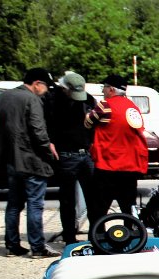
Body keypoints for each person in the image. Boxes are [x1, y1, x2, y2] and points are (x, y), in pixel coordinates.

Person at [0, 67, 60, 258]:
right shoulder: (32, 99)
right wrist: (48, 148)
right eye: (46, 86)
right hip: (32, 160)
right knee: (35, 204)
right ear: (37, 83)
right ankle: (37, 247)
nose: (46, 91)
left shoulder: (5, 96)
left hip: (12, 160)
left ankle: (12, 245)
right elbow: (38, 129)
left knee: (14, 204)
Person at [84, 74, 148, 227]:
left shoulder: (105, 105)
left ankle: (98, 235)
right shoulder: (133, 107)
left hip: (108, 164)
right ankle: (131, 235)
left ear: (111, 89)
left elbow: (87, 122)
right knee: (128, 208)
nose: (103, 91)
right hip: (130, 166)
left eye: (104, 88)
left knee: (98, 209)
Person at [44, 71, 96, 245]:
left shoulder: (88, 99)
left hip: (85, 152)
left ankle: (95, 234)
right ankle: (69, 237)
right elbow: (45, 124)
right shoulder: (52, 100)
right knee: (68, 199)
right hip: (66, 153)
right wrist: (50, 141)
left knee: (93, 198)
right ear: (64, 88)